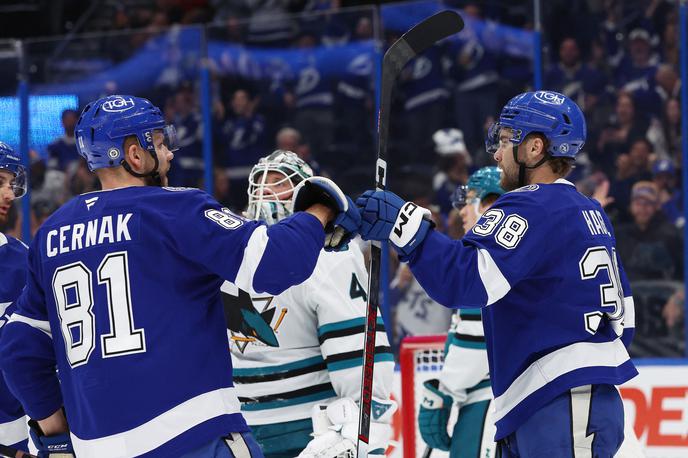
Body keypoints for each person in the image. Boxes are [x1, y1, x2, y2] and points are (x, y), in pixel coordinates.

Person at [0, 95, 359, 458]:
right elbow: (276, 264)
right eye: (158, 142)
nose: (169, 152)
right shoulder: (175, 210)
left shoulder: (53, 233)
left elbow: (18, 349)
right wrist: (321, 207)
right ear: (134, 154)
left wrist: (58, 438)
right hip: (192, 439)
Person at [356, 91, 637, 457]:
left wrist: (404, 224)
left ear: (535, 148)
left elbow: (465, 279)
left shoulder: (532, 203)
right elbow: (624, 321)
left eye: (506, 140)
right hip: (560, 400)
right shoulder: (587, 209)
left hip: (559, 402)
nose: (497, 153)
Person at [223, 150, 395, 458]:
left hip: (314, 432)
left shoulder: (330, 254)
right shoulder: (234, 252)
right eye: (260, 185)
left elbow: (360, 356)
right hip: (243, 433)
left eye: (278, 183)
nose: (266, 192)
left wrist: (368, 430)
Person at [418, 166, 503, 457]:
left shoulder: (490, 257)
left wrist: (444, 393)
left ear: (490, 203)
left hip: (489, 406)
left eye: (470, 200)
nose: (462, 211)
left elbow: (475, 346)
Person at [0, 142, 30, 455]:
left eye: (11, 184)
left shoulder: (25, 262)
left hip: (15, 439)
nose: (10, 194)